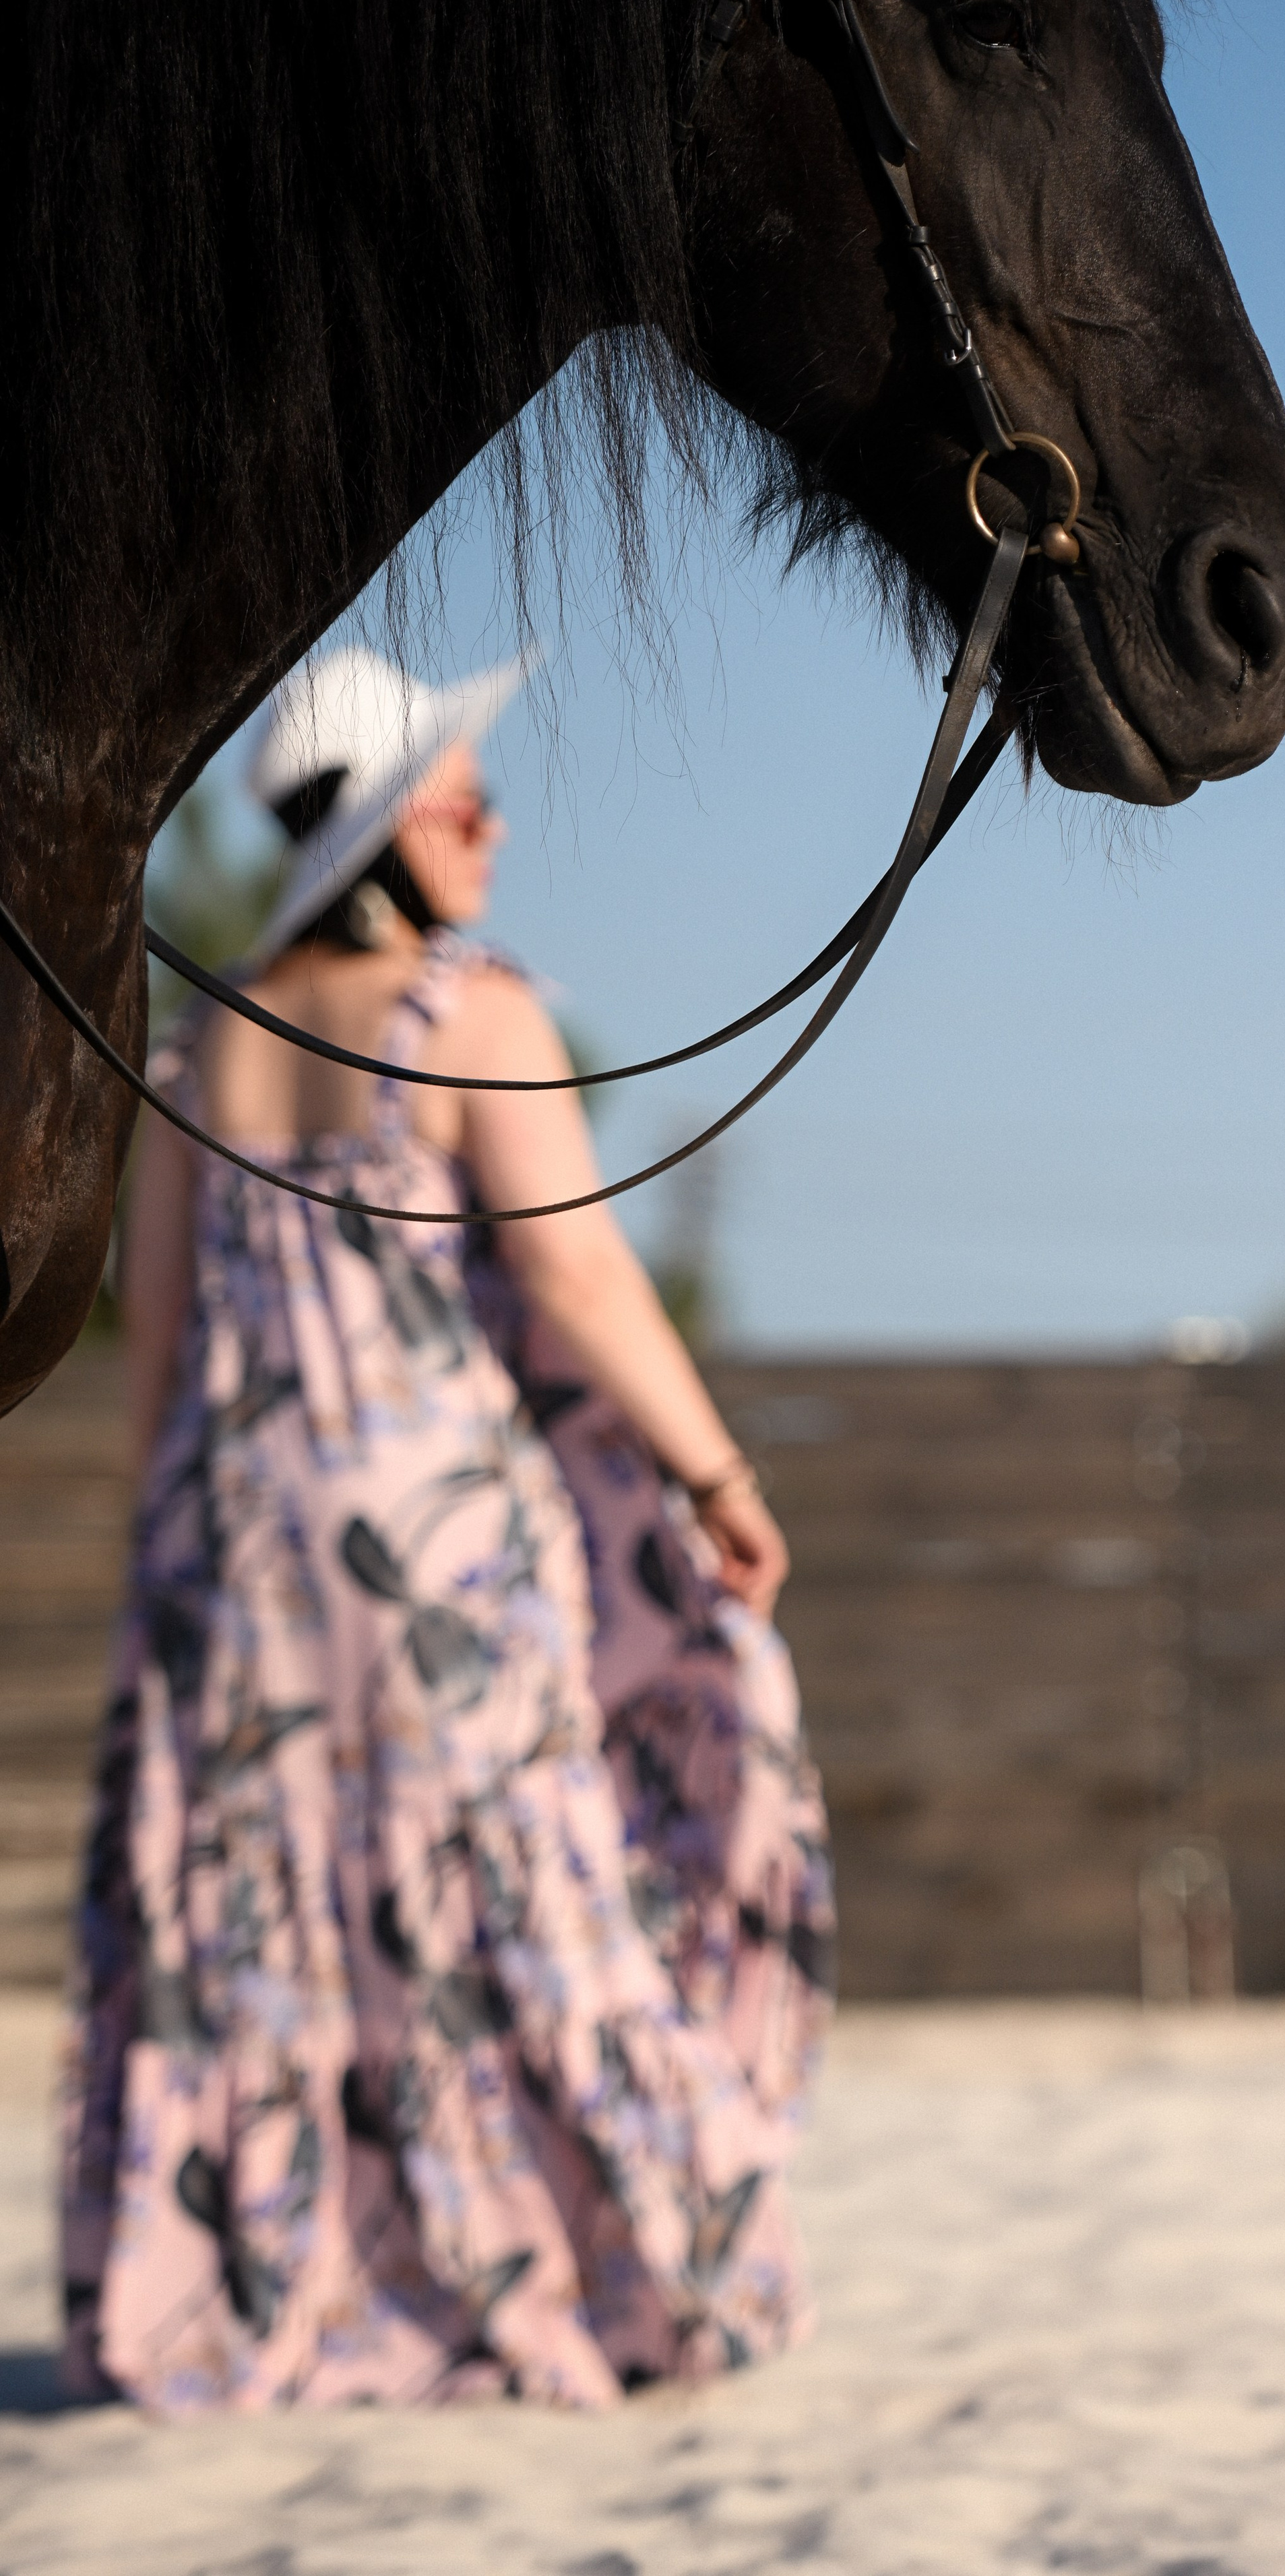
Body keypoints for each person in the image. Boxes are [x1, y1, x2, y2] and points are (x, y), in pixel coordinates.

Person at [61, 647, 835, 2412]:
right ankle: (567, 2273)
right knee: (505, 1897)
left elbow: (160, 1341)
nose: (493, 823)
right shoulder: (474, 1013)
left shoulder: (198, 1046)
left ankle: (276, 2294)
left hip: (232, 1548)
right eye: (461, 798)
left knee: (266, 1924)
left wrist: (164, 1555)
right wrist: (715, 1472)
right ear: (389, 840)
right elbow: (570, 1267)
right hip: (435, 1551)